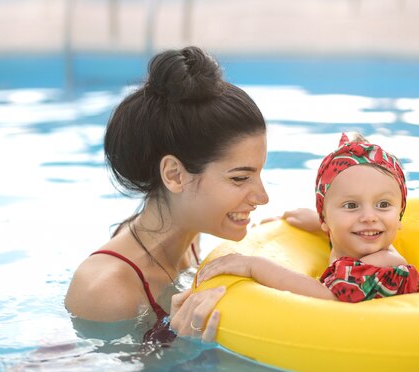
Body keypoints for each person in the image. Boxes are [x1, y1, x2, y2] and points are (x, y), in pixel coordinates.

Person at [65, 46, 269, 342]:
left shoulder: (189, 237)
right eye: (240, 178)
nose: (262, 197)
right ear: (174, 175)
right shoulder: (107, 291)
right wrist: (178, 344)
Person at [197, 132, 419, 302]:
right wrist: (318, 226)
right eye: (351, 205)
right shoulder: (355, 244)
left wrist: (254, 266)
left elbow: (327, 296)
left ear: (400, 215)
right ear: (325, 219)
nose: (369, 217)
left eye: (383, 204)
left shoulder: (386, 262)